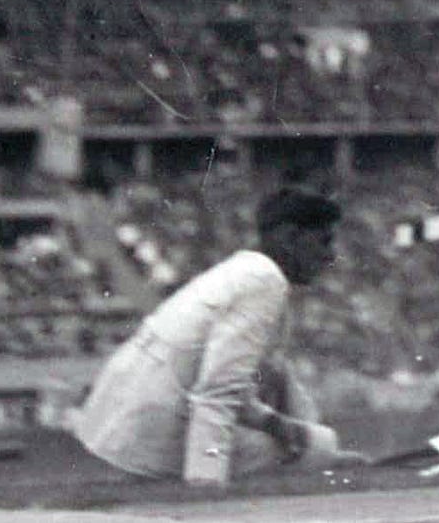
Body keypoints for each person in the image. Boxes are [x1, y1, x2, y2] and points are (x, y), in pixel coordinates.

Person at [71, 185, 362, 486]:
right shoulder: (264, 281)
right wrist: (206, 484)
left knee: (311, 442)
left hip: (125, 421)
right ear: (289, 237)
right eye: (324, 242)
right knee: (317, 445)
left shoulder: (242, 270)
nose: (330, 256)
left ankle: (330, 458)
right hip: (151, 428)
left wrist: (276, 425)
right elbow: (217, 392)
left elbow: (227, 385)